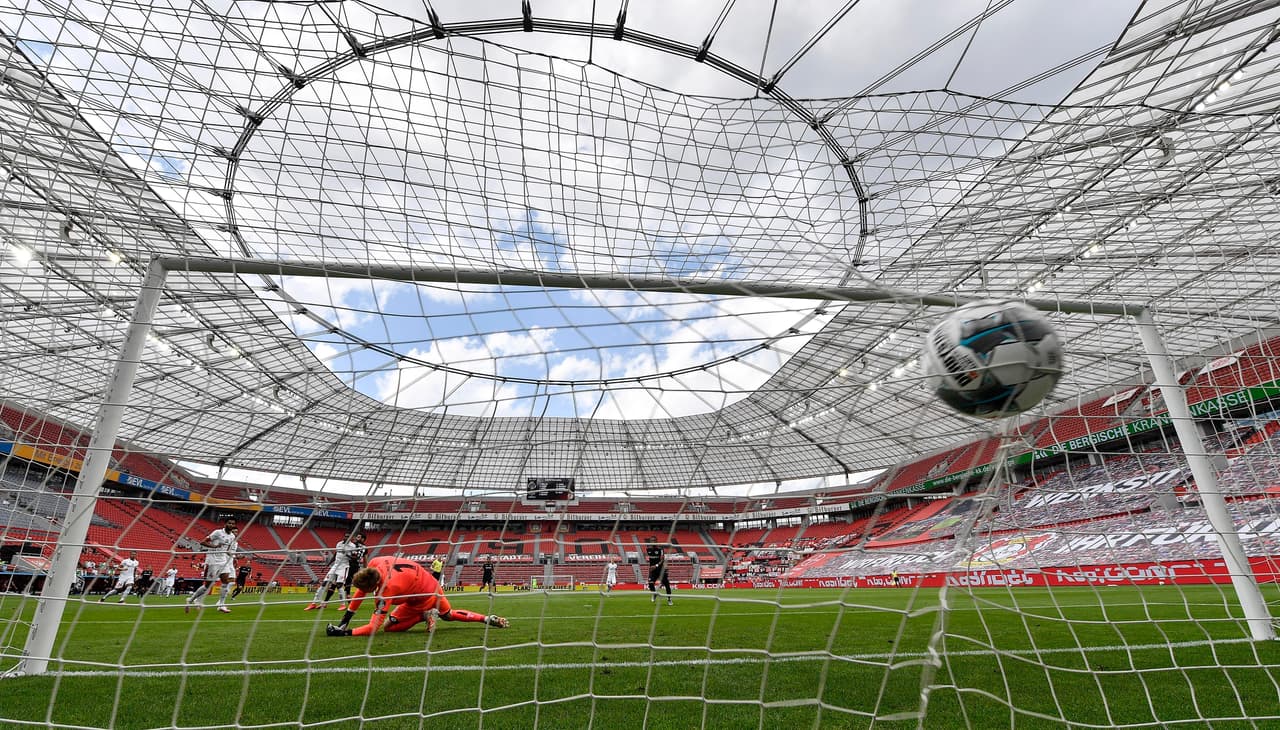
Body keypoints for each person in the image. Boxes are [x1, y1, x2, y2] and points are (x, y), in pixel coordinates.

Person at [325, 556, 508, 637]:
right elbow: (361, 591)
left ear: (374, 586)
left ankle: (423, 615)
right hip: (433, 587)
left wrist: (344, 632)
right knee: (448, 615)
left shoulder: (387, 590)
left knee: (388, 627)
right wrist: (345, 619)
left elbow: (373, 628)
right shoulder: (375, 563)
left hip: (421, 598)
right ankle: (485, 618)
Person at [186, 516, 238, 614]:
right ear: (225, 523)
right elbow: (203, 542)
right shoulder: (217, 532)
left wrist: (234, 556)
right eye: (229, 523)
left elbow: (227, 550)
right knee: (207, 586)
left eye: (233, 524)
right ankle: (191, 600)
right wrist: (214, 546)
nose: (231, 525)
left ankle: (221, 604)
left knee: (225, 581)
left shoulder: (232, 536)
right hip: (212, 561)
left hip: (223, 560)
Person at [306, 531, 365, 611]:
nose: (346, 538)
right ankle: (313, 603)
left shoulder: (352, 546)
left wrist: (346, 554)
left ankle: (342, 604)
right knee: (324, 583)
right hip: (335, 566)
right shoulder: (339, 544)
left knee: (339, 585)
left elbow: (355, 558)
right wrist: (328, 565)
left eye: (348, 537)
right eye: (345, 536)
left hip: (344, 567)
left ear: (350, 538)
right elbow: (335, 554)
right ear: (344, 536)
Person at [645, 537, 672, 606]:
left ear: (656, 541)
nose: (653, 542)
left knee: (666, 584)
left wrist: (656, 565)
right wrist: (651, 567)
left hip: (661, 569)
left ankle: (669, 599)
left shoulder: (660, 549)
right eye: (652, 541)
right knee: (650, 583)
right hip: (652, 570)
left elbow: (662, 559)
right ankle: (654, 594)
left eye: (654, 540)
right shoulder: (648, 549)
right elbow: (651, 560)